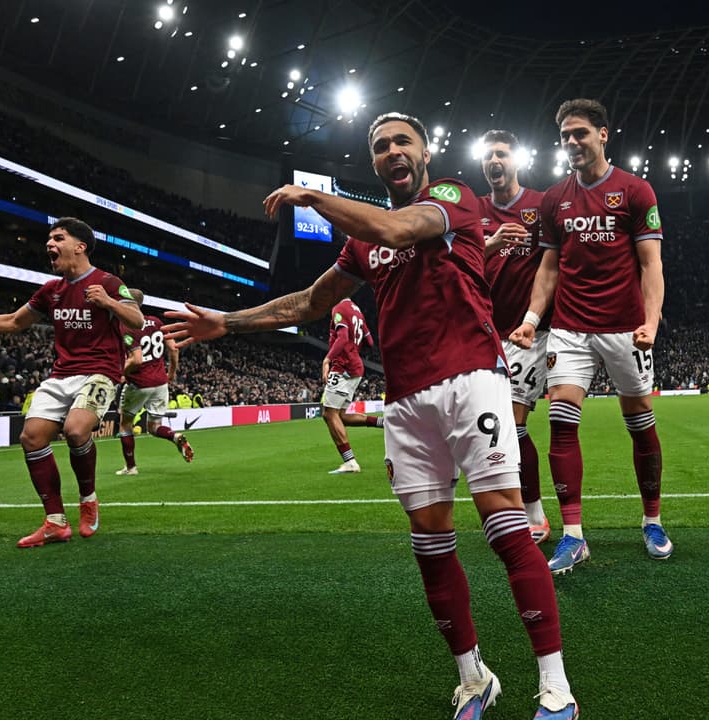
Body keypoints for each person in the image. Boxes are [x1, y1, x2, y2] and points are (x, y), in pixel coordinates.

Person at [163, 111, 577, 720]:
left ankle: (556, 688)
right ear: (374, 161)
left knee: (507, 532)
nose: (391, 151)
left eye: (402, 141)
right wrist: (227, 322)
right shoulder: (362, 242)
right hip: (405, 401)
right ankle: (474, 678)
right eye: (380, 146)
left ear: (425, 152)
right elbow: (309, 301)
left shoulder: (452, 198)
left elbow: (396, 228)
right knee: (430, 547)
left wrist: (315, 196)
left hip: (473, 381)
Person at [510, 98, 672, 573]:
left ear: (603, 134)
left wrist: (651, 320)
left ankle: (652, 521)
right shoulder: (553, 198)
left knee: (640, 422)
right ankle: (574, 535)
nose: (571, 142)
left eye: (579, 132)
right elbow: (549, 268)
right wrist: (532, 318)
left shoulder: (635, 190)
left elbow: (651, 264)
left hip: (625, 329)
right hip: (570, 329)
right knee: (561, 420)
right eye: (564, 135)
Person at [0, 217, 143, 547]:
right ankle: (55, 522)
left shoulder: (108, 282)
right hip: (61, 374)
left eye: (58, 238)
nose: (50, 244)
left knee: (76, 430)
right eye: (49, 239)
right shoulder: (51, 290)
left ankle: (88, 499)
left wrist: (108, 302)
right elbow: (13, 321)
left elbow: (136, 320)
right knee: (31, 437)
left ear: (80, 246)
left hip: (100, 372)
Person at [478, 129, 552, 544]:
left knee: (513, 422)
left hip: (527, 334)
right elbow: (460, 261)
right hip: (482, 334)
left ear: (516, 160)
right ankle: (508, 507)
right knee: (489, 426)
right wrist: (491, 243)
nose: (495, 161)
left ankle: (534, 512)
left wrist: (536, 319)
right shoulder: (473, 210)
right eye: (488, 155)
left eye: (502, 154)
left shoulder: (540, 206)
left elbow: (555, 265)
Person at [114, 288, 193, 476]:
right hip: (160, 382)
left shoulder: (127, 325)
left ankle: (131, 468)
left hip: (139, 383)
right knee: (154, 427)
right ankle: (175, 436)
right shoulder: (156, 322)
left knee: (125, 423)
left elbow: (136, 360)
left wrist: (120, 373)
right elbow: (173, 348)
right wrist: (171, 373)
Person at [321, 298, 383, 474]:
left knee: (329, 414)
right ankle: (383, 422)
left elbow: (342, 337)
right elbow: (370, 342)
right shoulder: (357, 310)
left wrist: (327, 359)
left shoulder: (338, 308)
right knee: (341, 416)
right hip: (356, 367)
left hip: (343, 367)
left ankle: (350, 462)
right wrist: (354, 349)